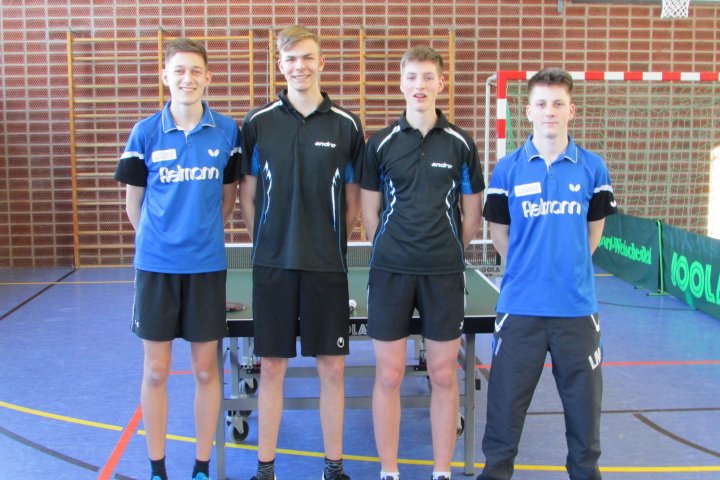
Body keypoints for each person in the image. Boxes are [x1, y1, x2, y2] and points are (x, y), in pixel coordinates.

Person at [478, 67, 618, 480]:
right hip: (520, 308)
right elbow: (499, 234)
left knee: (584, 415)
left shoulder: (593, 169)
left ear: (571, 110)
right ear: (528, 111)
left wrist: (566, 268)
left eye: (558, 104)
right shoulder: (507, 170)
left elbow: (593, 234)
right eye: (541, 103)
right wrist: (529, 269)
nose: (549, 111)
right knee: (504, 413)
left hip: (577, 310)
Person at [238, 25, 364, 480]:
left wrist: (331, 240)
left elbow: (353, 198)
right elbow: (248, 195)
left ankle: (334, 467)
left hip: (326, 267)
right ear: (280, 64)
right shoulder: (258, 122)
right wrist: (266, 240)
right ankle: (265, 469)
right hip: (272, 265)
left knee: (332, 368)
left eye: (308, 57)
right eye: (291, 59)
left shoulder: (346, 124)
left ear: (321, 62)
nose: (300, 66)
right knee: (272, 367)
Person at [114, 37, 241, 480]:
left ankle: (201, 467)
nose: (188, 78)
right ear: (165, 76)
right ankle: (157, 469)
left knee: (206, 371)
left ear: (208, 77)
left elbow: (228, 199)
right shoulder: (145, 132)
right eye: (179, 70)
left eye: (196, 71)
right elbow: (134, 204)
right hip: (156, 268)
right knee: (156, 371)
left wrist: (199, 235)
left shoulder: (227, 132)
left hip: (206, 268)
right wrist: (160, 241)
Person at [360, 46, 485, 480]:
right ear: (401, 83)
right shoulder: (380, 143)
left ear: (441, 83)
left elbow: (471, 214)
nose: (420, 85)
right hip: (390, 273)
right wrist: (393, 248)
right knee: (389, 374)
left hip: (443, 274)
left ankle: (442, 471)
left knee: (443, 374)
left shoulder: (461, 144)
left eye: (428, 77)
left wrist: (445, 249)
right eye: (412, 77)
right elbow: (369, 213)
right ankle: (389, 471)